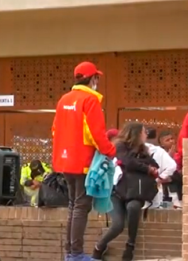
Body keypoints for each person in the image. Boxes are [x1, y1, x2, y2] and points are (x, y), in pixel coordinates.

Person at [51, 61, 116, 261]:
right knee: (81, 206)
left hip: (64, 162)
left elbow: (54, 130)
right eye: (97, 77)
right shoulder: (90, 100)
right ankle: (76, 254)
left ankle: (70, 252)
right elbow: (96, 133)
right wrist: (111, 151)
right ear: (92, 78)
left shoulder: (64, 100)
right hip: (84, 161)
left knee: (73, 205)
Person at [93, 123, 159, 261]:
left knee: (133, 207)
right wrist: (146, 169)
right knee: (118, 224)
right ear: (136, 133)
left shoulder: (144, 150)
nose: (146, 134)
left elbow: (154, 165)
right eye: (144, 132)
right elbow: (127, 161)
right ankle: (99, 247)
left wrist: (148, 168)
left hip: (135, 191)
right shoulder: (119, 146)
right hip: (116, 191)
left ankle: (130, 245)